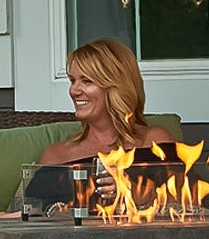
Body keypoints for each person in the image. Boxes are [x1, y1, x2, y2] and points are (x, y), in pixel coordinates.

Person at [36, 38, 176, 188]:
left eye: (87, 81)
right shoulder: (56, 156)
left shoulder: (154, 141)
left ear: (117, 87)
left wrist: (130, 193)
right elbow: (34, 208)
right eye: (72, 80)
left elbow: (185, 201)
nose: (74, 91)